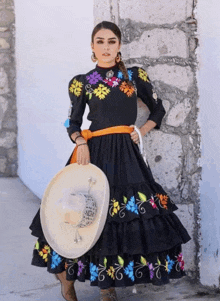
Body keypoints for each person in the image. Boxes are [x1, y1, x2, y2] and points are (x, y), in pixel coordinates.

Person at [29, 21, 191, 301]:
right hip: (93, 153)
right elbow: (73, 122)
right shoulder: (81, 82)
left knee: (120, 217)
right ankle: (66, 279)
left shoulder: (135, 76)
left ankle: (107, 288)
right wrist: (80, 141)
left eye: (111, 41)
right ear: (92, 46)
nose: (106, 47)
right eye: (100, 41)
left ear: (119, 46)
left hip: (126, 153)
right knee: (83, 212)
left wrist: (141, 131)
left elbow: (158, 108)